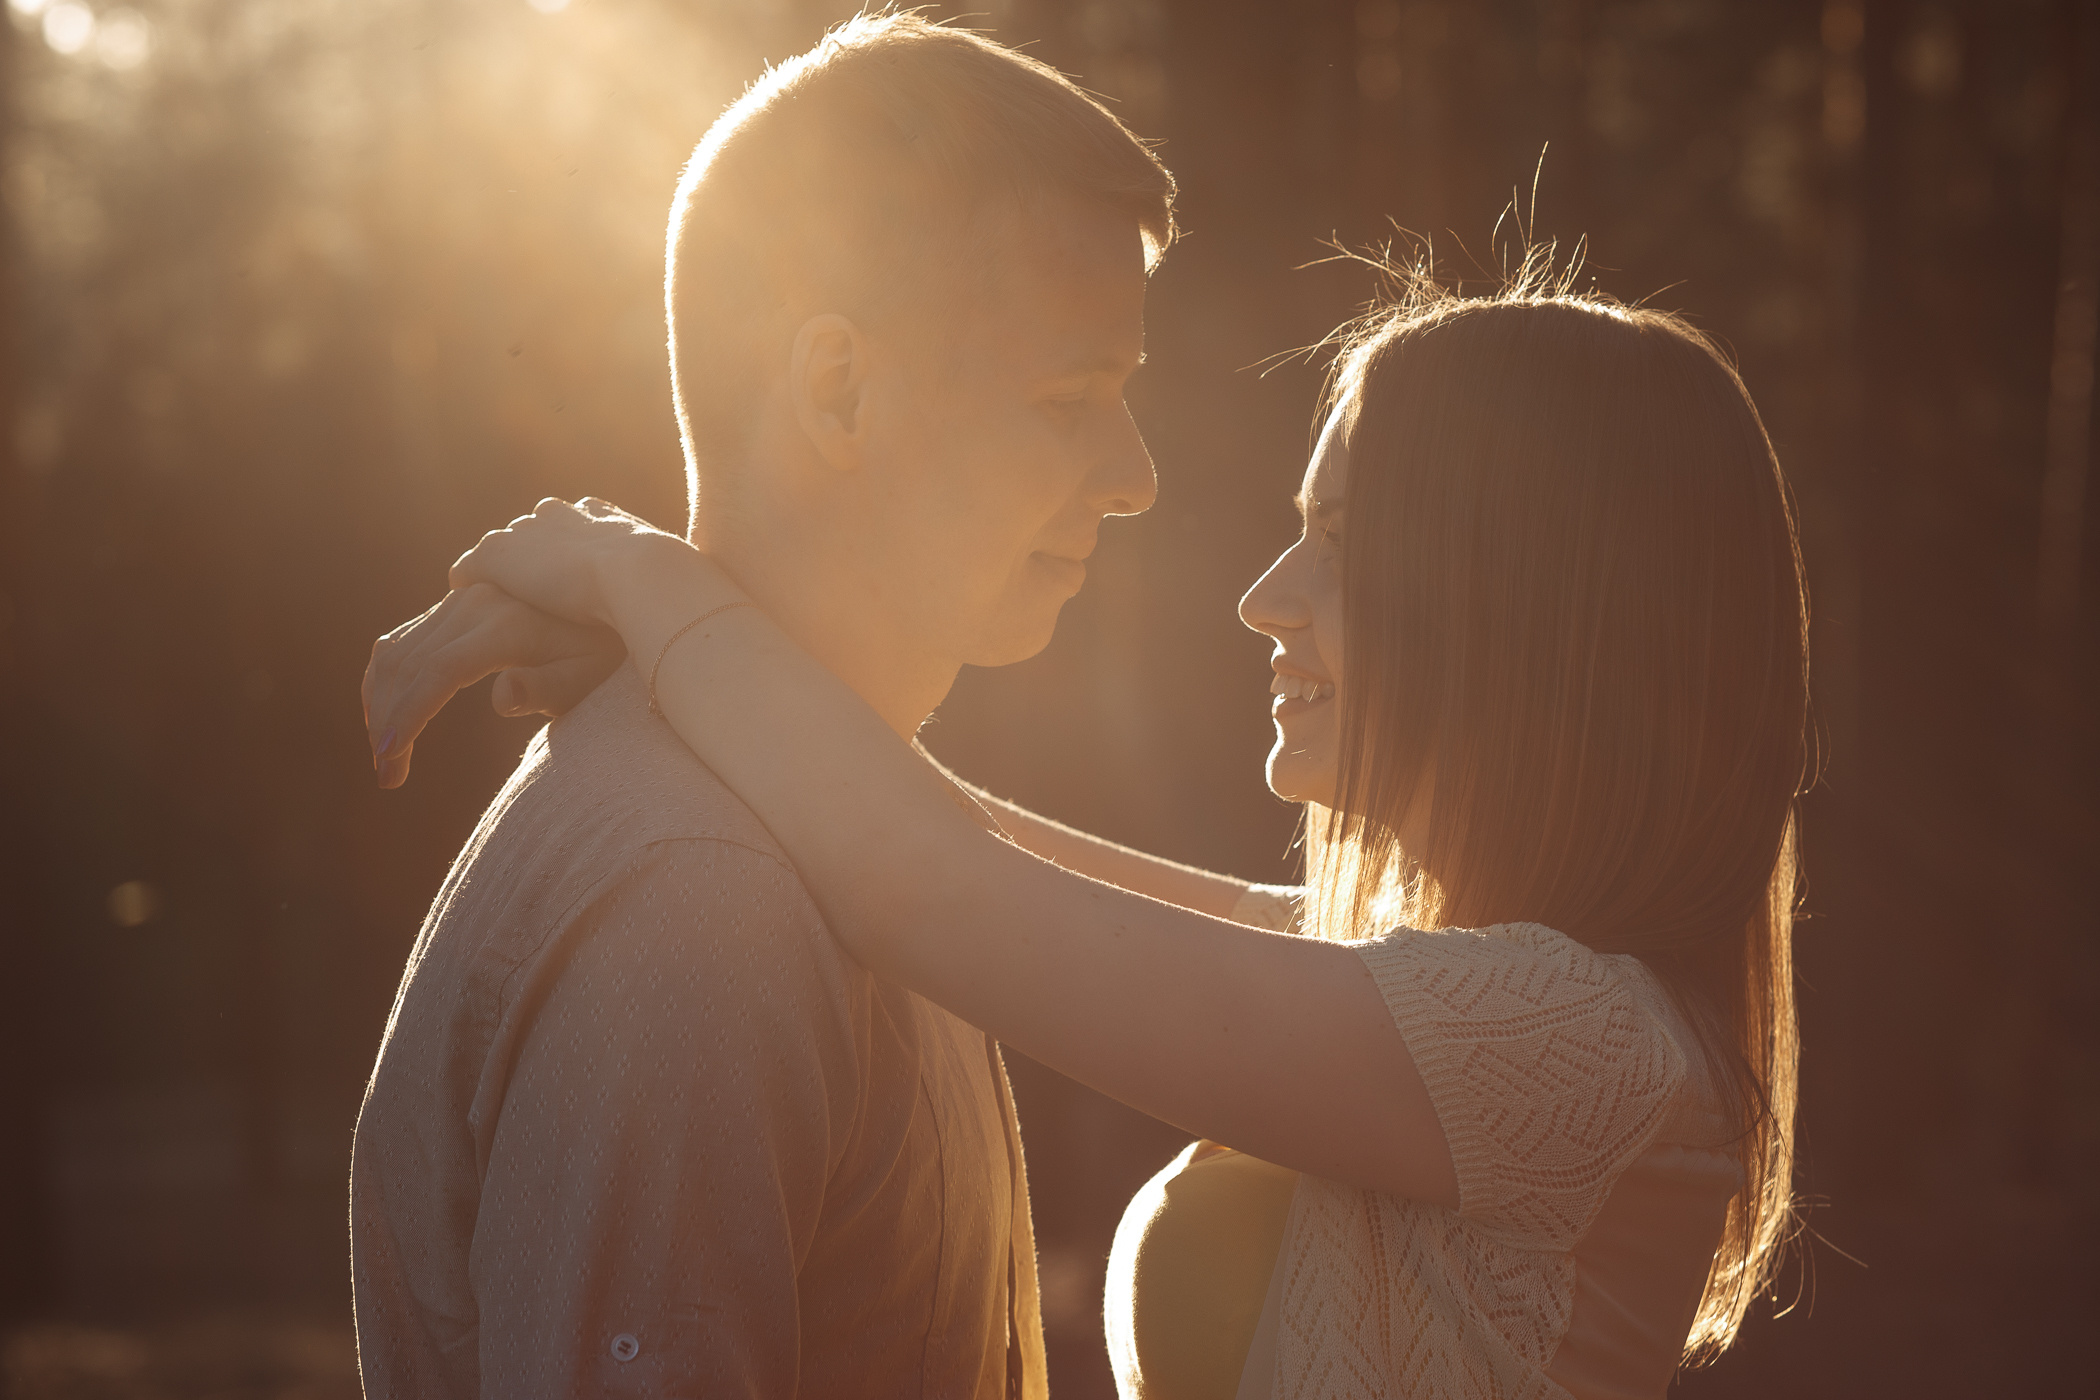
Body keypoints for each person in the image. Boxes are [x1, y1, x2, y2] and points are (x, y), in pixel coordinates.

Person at [365, 266, 1810, 1398]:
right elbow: (958, 834)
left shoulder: (1566, 1047)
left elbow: (936, 892)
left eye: (1347, 544)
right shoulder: (1437, 995)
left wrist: (626, 569)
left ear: (1528, 617)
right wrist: (674, 664)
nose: (1267, 597)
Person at [347, 12, 1180, 1397]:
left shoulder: (834, 829)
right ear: (837, 392)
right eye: (1071, 396)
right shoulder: (703, 901)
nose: (1138, 473)